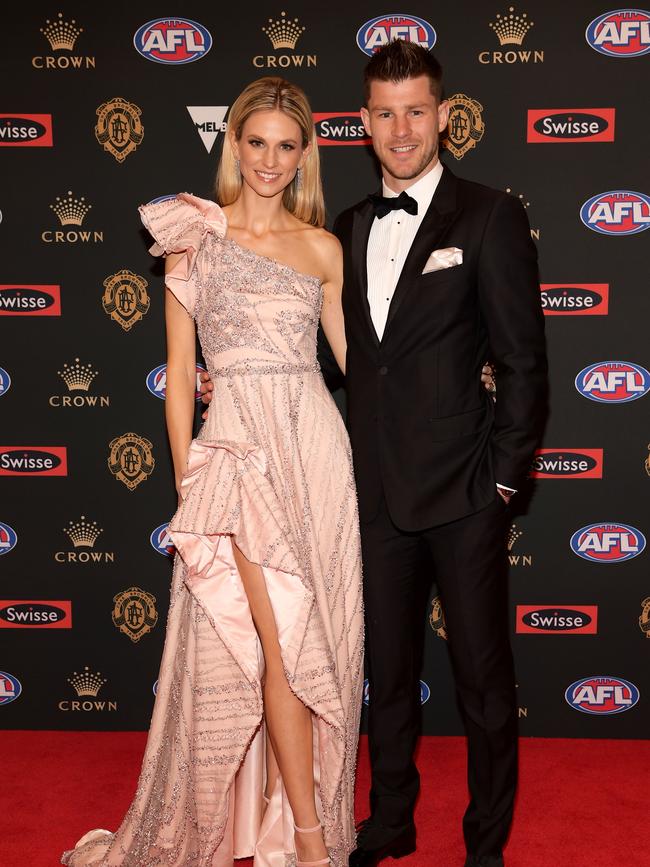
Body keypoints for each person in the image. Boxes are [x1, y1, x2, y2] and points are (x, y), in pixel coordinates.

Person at [203, 39, 549, 867]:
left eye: (417, 111)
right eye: (385, 113)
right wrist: (235, 376)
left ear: (443, 116)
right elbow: (334, 352)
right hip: (371, 496)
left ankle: (485, 841)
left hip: (466, 493)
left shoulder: (492, 214)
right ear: (362, 122)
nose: (401, 129)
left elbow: (526, 363)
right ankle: (391, 820)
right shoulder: (345, 229)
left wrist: (503, 480)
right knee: (385, 678)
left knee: (482, 684)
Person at [62, 77, 364, 867]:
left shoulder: (323, 247)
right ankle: (308, 837)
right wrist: (188, 483)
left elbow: (360, 368)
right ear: (234, 145)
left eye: (286, 146)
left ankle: (300, 821)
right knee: (278, 641)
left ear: (305, 156)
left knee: (314, 641)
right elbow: (178, 376)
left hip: (316, 452)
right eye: (255, 142)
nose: (269, 159)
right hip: (235, 456)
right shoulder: (194, 236)